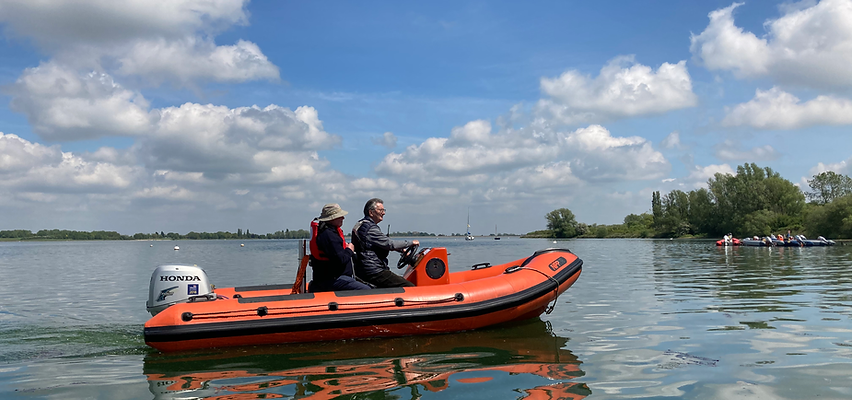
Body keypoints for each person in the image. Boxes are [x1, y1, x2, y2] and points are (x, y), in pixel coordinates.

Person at [351, 198, 418, 288]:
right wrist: (411, 243)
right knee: (409, 286)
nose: (384, 213)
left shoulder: (361, 225)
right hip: (374, 270)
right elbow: (390, 244)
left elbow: (380, 243)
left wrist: (402, 250)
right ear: (371, 212)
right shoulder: (370, 229)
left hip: (365, 268)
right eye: (381, 210)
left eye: (384, 210)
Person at [308, 203, 370, 293]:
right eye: (340, 216)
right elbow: (341, 259)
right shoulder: (329, 236)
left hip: (327, 278)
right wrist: (350, 249)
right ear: (332, 218)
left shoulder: (327, 232)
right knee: (366, 290)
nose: (343, 218)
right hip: (332, 279)